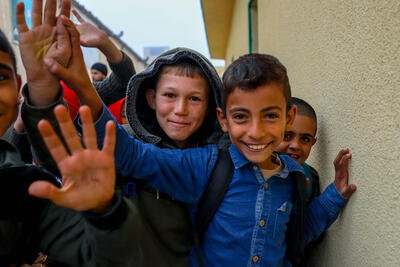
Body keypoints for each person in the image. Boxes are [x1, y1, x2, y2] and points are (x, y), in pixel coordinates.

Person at [42, 31, 357, 266]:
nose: (256, 131)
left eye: (270, 116)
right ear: (223, 119)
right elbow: (130, 153)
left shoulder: (293, 178)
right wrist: (83, 84)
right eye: (241, 117)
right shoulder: (206, 165)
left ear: (287, 117)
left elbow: (298, 233)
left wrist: (334, 196)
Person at [21, 10, 224, 266]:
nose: (180, 109)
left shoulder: (219, 163)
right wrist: (42, 90)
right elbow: (59, 155)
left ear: (210, 105)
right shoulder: (122, 143)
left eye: (194, 99)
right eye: (170, 96)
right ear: (150, 98)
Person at [7, 1, 141, 265]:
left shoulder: (81, 91)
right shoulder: (19, 106)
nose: (56, 48)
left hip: (83, 203)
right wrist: (23, 119)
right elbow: (8, 156)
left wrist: (105, 44)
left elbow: (125, 82)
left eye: (64, 40)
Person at [276, 97, 321, 202]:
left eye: (305, 139)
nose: (295, 146)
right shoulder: (252, 171)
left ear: (312, 143)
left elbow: (310, 218)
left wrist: (336, 193)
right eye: (286, 136)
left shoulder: (310, 176)